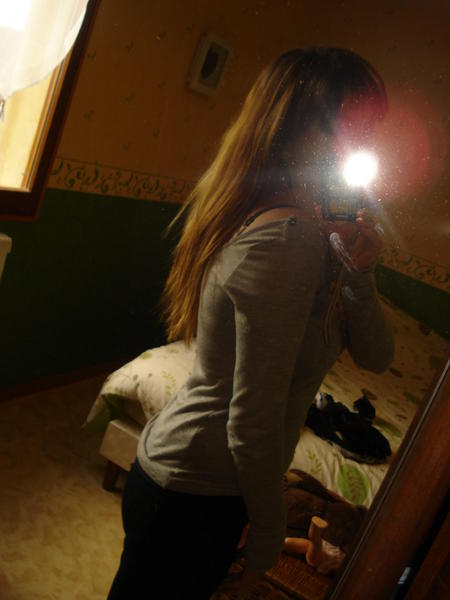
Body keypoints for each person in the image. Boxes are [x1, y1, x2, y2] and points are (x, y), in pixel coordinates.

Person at [108, 47, 394, 599]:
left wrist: (361, 270)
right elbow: (253, 419)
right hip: (194, 491)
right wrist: (266, 534)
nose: (361, 143)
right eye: (352, 125)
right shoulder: (289, 238)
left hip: (195, 484)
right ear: (301, 128)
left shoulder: (295, 223)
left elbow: (377, 356)